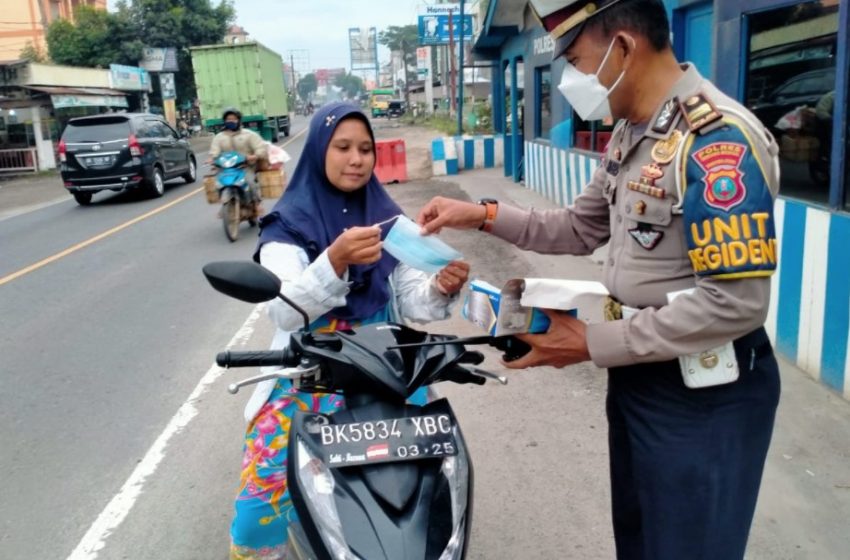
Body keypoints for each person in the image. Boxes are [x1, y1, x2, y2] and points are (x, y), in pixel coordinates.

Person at [416, 1, 781, 559]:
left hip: (705, 395)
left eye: (576, 59)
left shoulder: (713, 141)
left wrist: (593, 344)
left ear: (625, 48)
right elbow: (579, 226)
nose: (571, 78)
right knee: (639, 544)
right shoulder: (632, 132)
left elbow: (735, 303)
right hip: (641, 377)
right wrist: (483, 215)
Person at [229, 101, 470, 560]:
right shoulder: (288, 225)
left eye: (365, 148)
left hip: (385, 372)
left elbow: (408, 297)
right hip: (308, 377)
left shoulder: (385, 218)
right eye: (342, 147)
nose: (356, 159)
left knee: (438, 473)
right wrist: (334, 261)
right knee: (258, 503)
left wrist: (439, 287)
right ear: (320, 149)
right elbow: (283, 311)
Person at [209, 108, 268, 215]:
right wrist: (212, 158)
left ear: (239, 121)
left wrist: (255, 156)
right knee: (217, 184)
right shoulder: (219, 137)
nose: (230, 121)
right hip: (226, 168)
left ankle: (256, 203)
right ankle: (225, 204)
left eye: (233, 119)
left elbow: (260, 148)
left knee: (250, 182)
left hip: (245, 166)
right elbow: (214, 151)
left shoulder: (249, 135)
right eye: (228, 119)